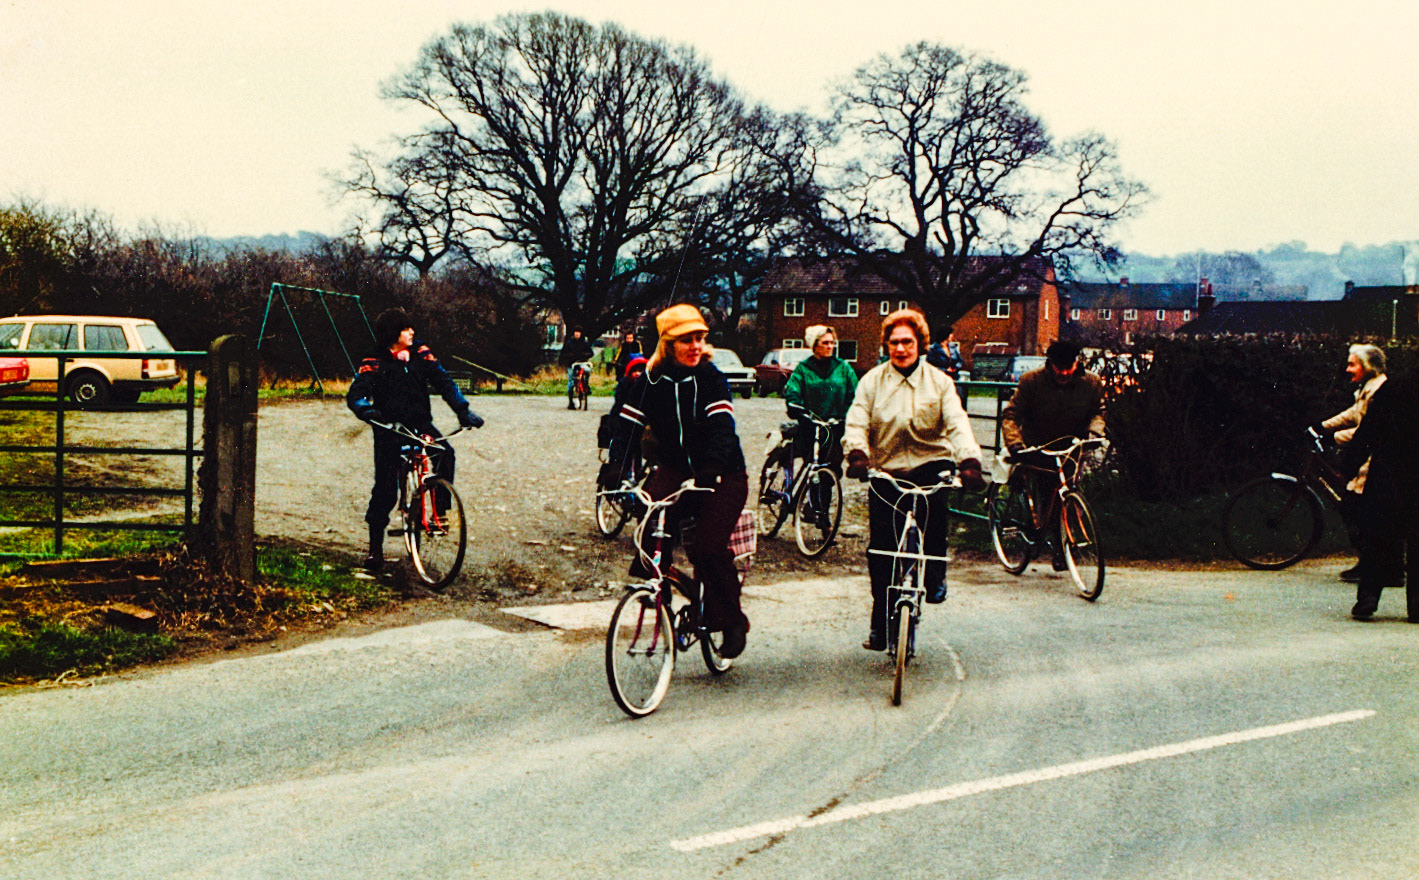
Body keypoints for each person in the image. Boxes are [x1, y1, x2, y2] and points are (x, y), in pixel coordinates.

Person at [602, 304, 751, 657]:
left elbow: (721, 429)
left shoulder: (711, 379)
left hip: (723, 474)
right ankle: (658, 589)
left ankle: (730, 620)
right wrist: (615, 468)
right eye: (686, 340)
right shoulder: (649, 382)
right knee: (650, 527)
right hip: (676, 468)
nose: (695, 346)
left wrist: (711, 468)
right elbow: (627, 429)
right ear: (668, 344)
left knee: (707, 548)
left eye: (700, 338)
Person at [843, 309, 985, 650]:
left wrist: (969, 461)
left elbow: (956, 423)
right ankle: (880, 623)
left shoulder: (940, 382)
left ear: (919, 344)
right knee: (881, 550)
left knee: (934, 518)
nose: (900, 349)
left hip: (929, 462)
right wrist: (858, 454)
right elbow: (857, 421)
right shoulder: (872, 381)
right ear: (886, 345)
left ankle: (935, 574)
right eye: (893, 343)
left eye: (907, 342)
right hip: (886, 468)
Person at [347, 308, 484, 572]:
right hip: (389, 426)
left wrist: (463, 410)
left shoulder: (421, 352)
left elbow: (444, 382)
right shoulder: (374, 358)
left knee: (444, 452)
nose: (412, 332)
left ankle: (440, 511)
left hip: (419, 422)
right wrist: (366, 410)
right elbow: (357, 393)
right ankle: (376, 548)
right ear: (392, 333)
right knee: (386, 489)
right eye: (406, 328)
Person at [999, 340, 1106, 569]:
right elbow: (1011, 415)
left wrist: (1093, 433)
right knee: (1042, 495)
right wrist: (1015, 444)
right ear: (1051, 364)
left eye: (1069, 367)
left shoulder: (1091, 383)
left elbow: (1098, 412)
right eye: (1060, 368)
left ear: (1077, 362)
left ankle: (1062, 548)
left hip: (1071, 448)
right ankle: (1030, 534)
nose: (1065, 373)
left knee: (1065, 495)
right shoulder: (1032, 382)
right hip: (1037, 447)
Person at [1341, 368, 1419, 622]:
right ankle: (1417, 606)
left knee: (1379, 536)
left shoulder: (1396, 385)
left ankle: (1368, 597)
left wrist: (1349, 464)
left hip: (1389, 470)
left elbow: (1370, 428)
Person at [1318, 343, 1387, 583]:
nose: (1348, 369)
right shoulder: (1367, 388)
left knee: (1358, 510)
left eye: (1352, 364)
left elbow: (1366, 429)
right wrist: (1324, 425)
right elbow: (1353, 412)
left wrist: (1332, 436)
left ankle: (1373, 565)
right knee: (1356, 509)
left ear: (1367, 366)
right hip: (1365, 460)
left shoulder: (1379, 390)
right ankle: (1373, 564)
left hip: (1373, 461)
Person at [783, 324, 858, 474]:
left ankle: (824, 496)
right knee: (812, 466)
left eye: (832, 342)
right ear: (814, 346)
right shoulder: (803, 369)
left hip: (835, 428)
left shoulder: (843, 368)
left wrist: (848, 415)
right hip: (810, 426)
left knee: (831, 470)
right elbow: (793, 390)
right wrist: (795, 405)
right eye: (825, 343)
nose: (830, 346)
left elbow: (855, 394)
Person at [559, 326, 596, 409]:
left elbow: (591, 353)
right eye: (575, 332)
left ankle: (586, 385)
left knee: (587, 370)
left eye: (578, 332)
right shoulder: (569, 343)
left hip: (582, 362)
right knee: (571, 382)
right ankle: (570, 401)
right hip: (572, 363)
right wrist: (569, 356)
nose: (577, 334)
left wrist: (586, 355)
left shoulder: (585, 342)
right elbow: (563, 353)